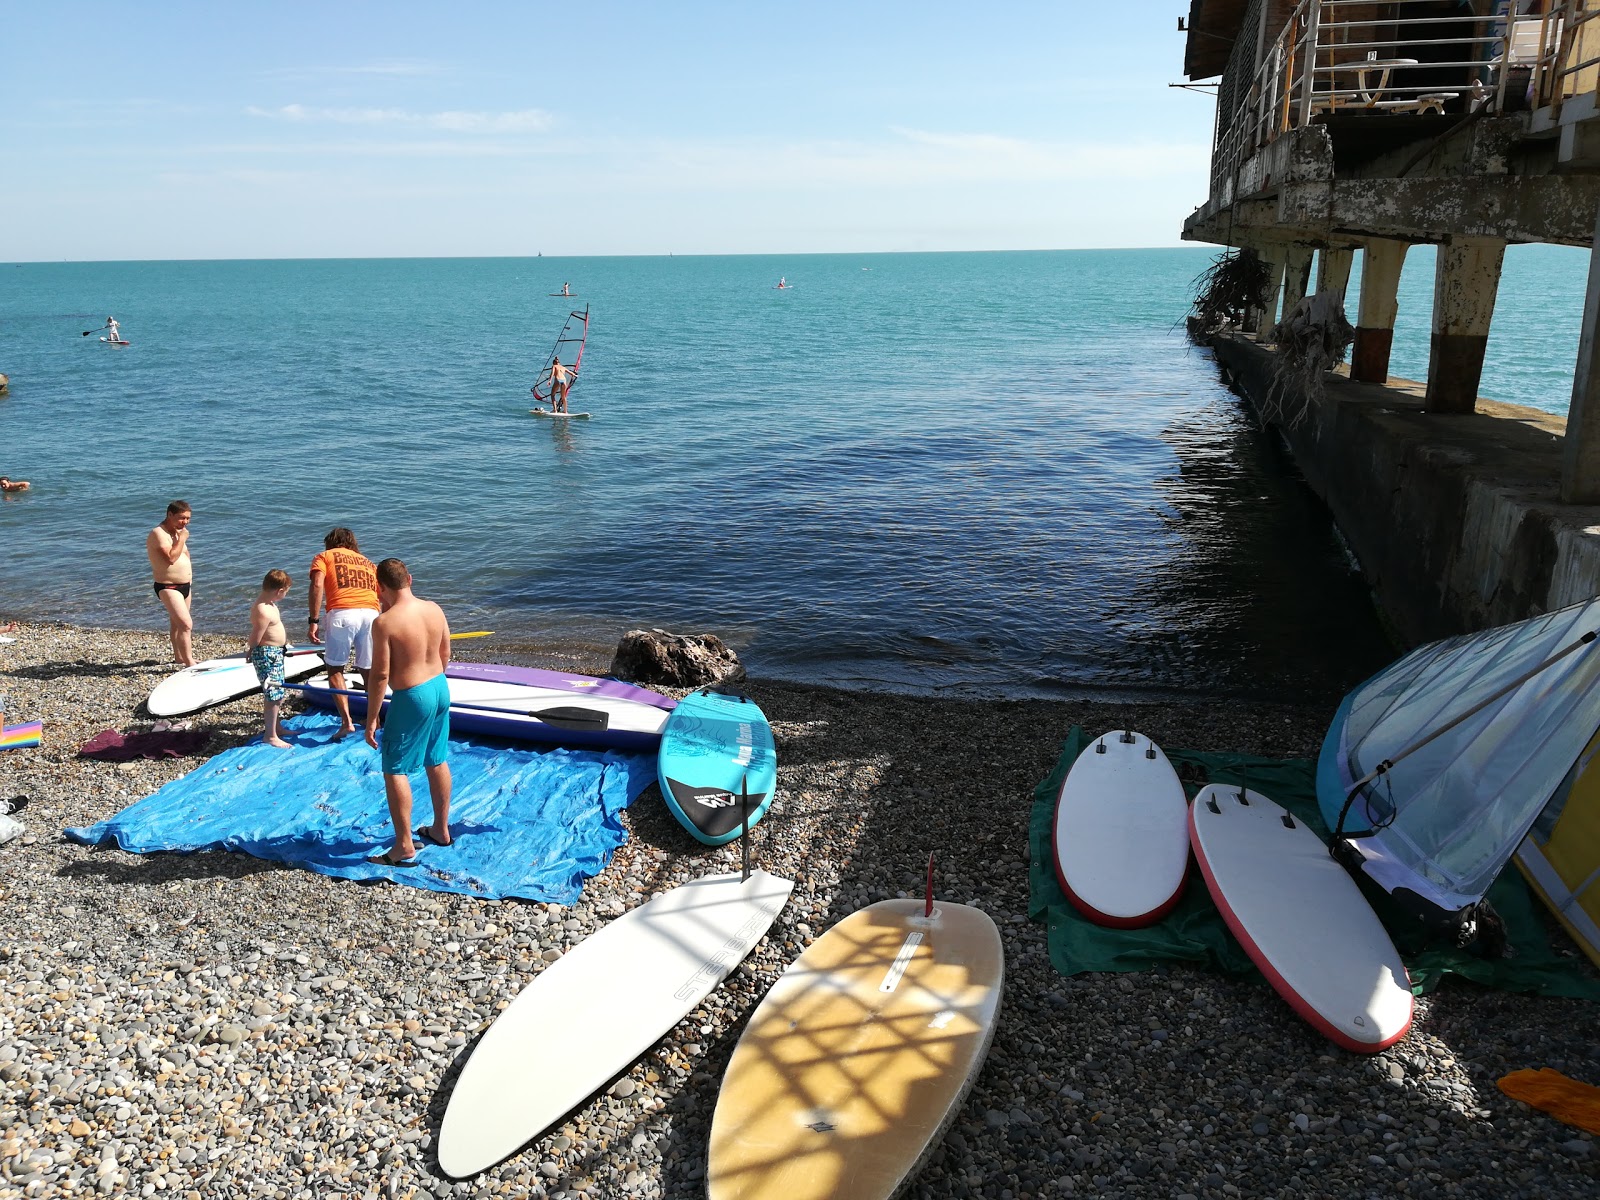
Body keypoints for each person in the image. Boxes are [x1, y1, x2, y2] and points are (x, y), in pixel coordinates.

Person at [363, 557, 453, 867]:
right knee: (436, 758)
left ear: (380, 588)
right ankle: (441, 829)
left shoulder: (385, 622)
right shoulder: (433, 608)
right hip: (440, 687)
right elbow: (445, 654)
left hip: (412, 696)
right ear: (410, 579)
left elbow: (379, 675)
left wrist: (372, 717)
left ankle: (403, 846)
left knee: (395, 767)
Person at [307, 527, 380, 739]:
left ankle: (347, 722)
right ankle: (373, 720)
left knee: (335, 668)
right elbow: (380, 593)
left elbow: (317, 584)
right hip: (371, 614)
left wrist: (313, 620)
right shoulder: (367, 562)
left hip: (342, 613)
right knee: (369, 670)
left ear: (330, 542)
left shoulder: (324, 556)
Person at [145, 500, 195, 668]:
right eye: (182, 518)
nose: (185, 522)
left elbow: (185, 555)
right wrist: (182, 538)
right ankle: (189, 663)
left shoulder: (177, 532)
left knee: (177, 624)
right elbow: (171, 558)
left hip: (185, 585)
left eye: (188, 518)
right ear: (170, 515)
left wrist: (189, 577)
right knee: (186, 624)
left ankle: (179, 657)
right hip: (168, 586)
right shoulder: (158, 533)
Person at [247, 569, 293, 749]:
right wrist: (250, 650)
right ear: (280, 591)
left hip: (275, 652)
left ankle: (277, 727)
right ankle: (270, 735)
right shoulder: (263, 609)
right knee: (273, 694)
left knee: (278, 693)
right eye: (286, 591)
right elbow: (256, 636)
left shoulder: (270, 604)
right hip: (267, 654)